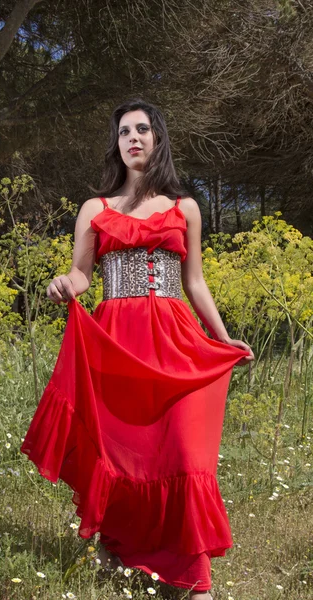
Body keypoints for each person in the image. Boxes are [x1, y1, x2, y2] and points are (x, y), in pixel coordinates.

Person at [21, 98, 254, 600]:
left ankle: (196, 581)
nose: (133, 138)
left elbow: (195, 281)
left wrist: (220, 336)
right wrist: (64, 283)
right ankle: (118, 547)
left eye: (142, 129)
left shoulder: (185, 206)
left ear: (157, 138)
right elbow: (83, 273)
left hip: (175, 337)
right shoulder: (95, 209)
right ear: (117, 143)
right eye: (124, 131)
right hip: (115, 342)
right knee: (124, 453)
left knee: (187, 452)